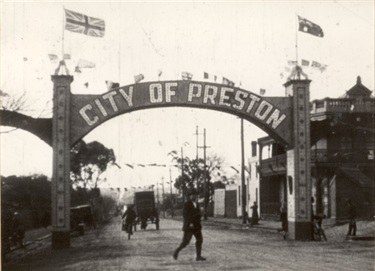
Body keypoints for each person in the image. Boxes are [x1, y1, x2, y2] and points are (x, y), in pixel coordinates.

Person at [173, 188, 206, 261]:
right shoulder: (187, 204)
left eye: (195, 195)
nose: (194, 196)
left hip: (197, 226)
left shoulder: (196, 204)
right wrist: (190, 223)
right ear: (189, 196)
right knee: (186, 242)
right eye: (192, 195)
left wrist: (201, 216)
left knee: (200, 240)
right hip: (189, 226)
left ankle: (198, 256)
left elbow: (197, 214)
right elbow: (185, 215)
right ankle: (176, 252)